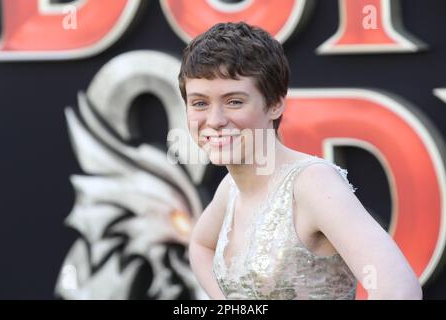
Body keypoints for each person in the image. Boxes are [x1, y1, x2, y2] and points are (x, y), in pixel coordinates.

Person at [178, 21, 422, 300]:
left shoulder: (312, 183)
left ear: (274, 104)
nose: (215, 120)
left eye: (234, 101)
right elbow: (200, 245)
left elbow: (399, 288)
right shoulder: (230, 189)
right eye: (199, 103)